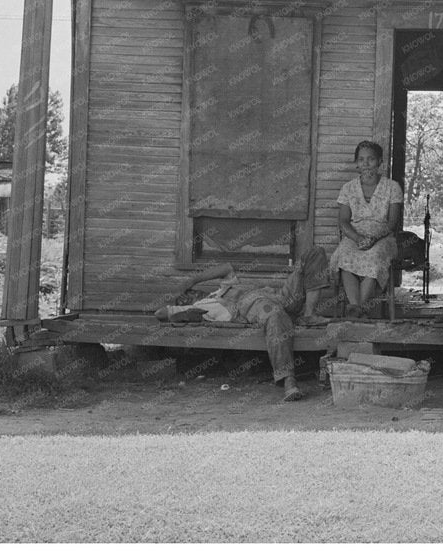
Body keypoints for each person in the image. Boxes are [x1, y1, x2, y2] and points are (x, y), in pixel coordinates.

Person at [153, 246, 331, 402]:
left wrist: (191, 281)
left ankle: (309, 314)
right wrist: (180, 307)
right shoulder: (197, 307)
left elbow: (226, 268)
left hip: (279, 295)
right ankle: (288, 380)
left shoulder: (222, 289)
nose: (189, 295)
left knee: (314, 253)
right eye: (185, 298)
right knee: (275, 316)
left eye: (190, 292)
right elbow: (160, 313)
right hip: (252, 305)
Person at [329, 140, 404, 313]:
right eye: (361, 160)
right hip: (355, 235)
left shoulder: (392, 187)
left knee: (374, 256)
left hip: (382, 237)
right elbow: (344, 221)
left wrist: (373, 239)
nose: (366, 164)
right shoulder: (348, 188)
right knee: (344, 256)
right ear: (357, 163)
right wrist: (358, 238)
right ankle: (357, 308)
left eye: (371, 159)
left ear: (379, 162)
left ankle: (356, 309)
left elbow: (392, 223)